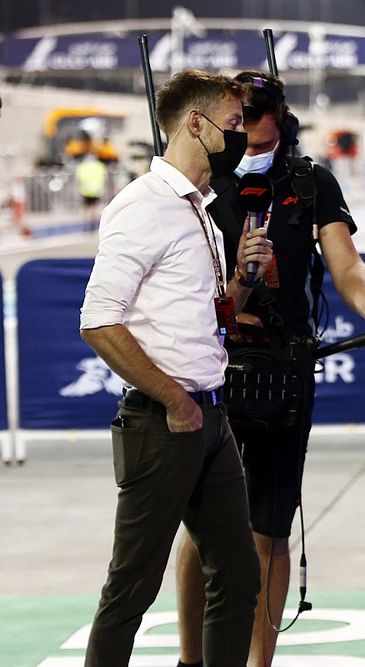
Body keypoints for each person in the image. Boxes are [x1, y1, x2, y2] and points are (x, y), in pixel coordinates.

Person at [174, 70, 365, 667]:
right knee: (202, 524)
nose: (240, 124)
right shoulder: (199, 179)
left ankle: (259, 662)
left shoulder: (311, 183)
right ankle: (189, 659)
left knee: (272, 523)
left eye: (252, 112)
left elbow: (347, 264)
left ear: (281, 117)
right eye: (232, 114)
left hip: (285, 370)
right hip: (212, 367)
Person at [79, 69, 274, 667]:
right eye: (235, 123)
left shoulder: (201, 210)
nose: (242, 137)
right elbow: (98, 320)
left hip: (210, 420)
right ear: (196, 122)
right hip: (164, 424)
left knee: (239, 578)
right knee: (131, 589)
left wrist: (243, 278)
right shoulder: (142, 207)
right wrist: (173, 399)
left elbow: (212, 319)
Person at [75, 151, 108, 232]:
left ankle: (87, 226)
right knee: (94, 209)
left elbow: (79, 180)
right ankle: (93, 226)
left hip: (86, 190)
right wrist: (103, 190)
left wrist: (79, 190)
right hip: (97, 190)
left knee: (87, 209)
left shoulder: (82, 167)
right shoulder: (100, 166)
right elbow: (104, 179)